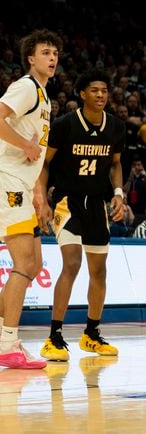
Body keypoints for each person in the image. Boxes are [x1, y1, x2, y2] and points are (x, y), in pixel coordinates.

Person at [36, 68, 126, 362]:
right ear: (82, 94)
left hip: (98, 203)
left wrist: (118, 194)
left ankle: (91, 334)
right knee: (72, 263)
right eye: (95, 90)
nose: (101, 95)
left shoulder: (115, 126)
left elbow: (115, 164)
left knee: (99, 270)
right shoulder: (63, 125)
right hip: (67, 201)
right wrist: (43, 198)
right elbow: (45, 164)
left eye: (104, 90)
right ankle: (54, 336)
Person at [0, 29, 62, 369]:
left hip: (22, 186)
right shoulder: (25, 87)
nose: (51, 58)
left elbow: (37, 153)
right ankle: (9, 343)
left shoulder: (44, 95)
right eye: (45, 52)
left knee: (34, 264)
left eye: (54, 52)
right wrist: (24, 146)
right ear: (30, 58)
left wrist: (39, 192)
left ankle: (2, 337)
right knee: (24, 264)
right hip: (7, 182)